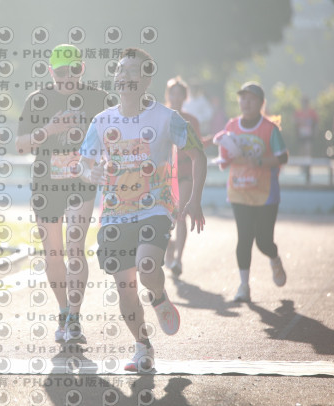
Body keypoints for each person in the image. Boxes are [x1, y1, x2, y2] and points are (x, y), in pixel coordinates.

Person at [78, 48, 207, 372]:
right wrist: (90, 172)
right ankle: (143, 347)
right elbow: (84, 163)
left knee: (146, 266)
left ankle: (159, 295)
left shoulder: (166, 118)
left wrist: (195, 199)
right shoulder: (102, 121)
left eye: (132, 71)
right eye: (120, 70)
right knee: (125, 289)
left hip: (155, 209)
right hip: (115, 214)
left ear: (147, 79)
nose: (124, 76)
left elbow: (198, 155)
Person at [16, 44, 108, 343]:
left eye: (74, 70)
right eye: (61, 72)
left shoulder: (98, 99)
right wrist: (49, 129)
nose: (68, 77)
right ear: (50, 71)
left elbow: (114, 136)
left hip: (81, 182)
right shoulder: (38, 100)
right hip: (46, 185)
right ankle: (64, 310)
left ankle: (75, 318)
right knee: (53, 254)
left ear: (82, 69)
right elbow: (20, 144)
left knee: (75, 247)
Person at [214, 81, 288, 303]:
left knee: (264, 241)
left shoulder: (270, 129)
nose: (245, 103)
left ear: (261, 103)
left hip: (265, 193)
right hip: (239, 191)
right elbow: (225, 154)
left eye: (251, 99)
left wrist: (259, 161)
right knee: (244, 238)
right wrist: (224, 160)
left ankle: (274, 259)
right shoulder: (231, 125)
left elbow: (283, 157)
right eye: (242, 98)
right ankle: (244, 286)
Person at [163, 76, 202, 277]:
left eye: (180, 94)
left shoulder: (191, 121)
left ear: (185, 97)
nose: (176, 97)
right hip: (163, 175)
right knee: (164, 216)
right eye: (173, 93)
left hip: (185, 173)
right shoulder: (160, 116)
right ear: (167, 95)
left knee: (180, 215)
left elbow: (198, 147)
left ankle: (178, 260)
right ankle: (169, 246)